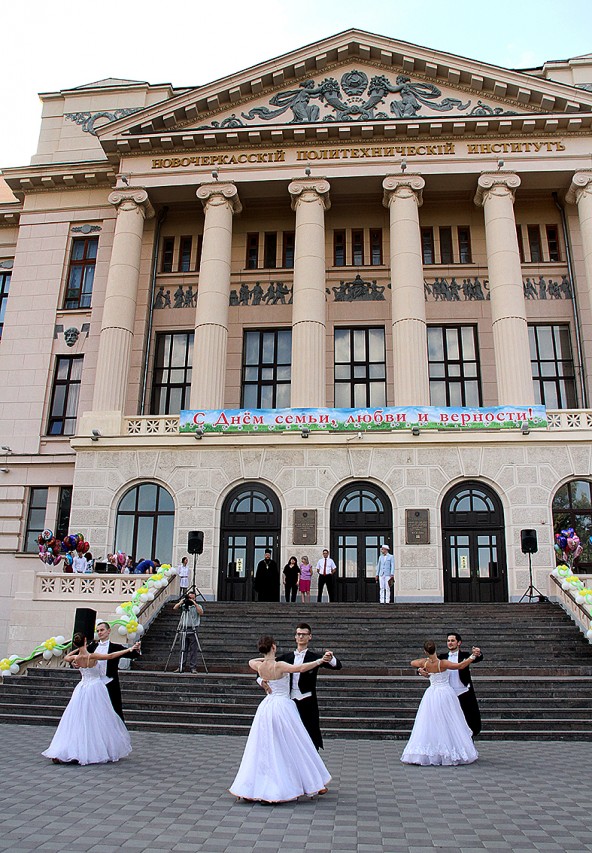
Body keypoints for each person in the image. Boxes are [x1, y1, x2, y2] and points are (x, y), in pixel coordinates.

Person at [230, 635, 332, 802]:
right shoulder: (280, 665)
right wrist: (319, 661)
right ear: (274, 647)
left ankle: (254, 786)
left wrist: (262, 678)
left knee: (263, 746)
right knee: (296, 743)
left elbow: (250, 661)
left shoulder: (259, 665)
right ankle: (303, 782)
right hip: (283, 706)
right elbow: (300, 668)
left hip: (266, 706)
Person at [42, 632, 140, 765]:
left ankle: (69, 750)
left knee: (77, 718)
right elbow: (110, 656)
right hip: (95, 687)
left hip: (82, 687)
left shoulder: (76, 658)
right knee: (98, 718)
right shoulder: (92, 656)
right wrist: (129, 649)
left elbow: (66, 657)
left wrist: (78, 648)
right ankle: (92, 749)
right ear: (85, 640)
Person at [401, 639, 479, 766]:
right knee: (450, 720)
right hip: (445, 693)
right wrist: (472, 656)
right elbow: (460, 666)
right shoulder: (442, 663)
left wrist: (421, 669)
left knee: (430, 721)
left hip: (431, 694)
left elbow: (412, 662)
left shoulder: (424, 662)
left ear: (425, 651)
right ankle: (450, 749)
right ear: (435, 649)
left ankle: (431, 750)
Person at [277, 622, 342, 750]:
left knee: (310, 733)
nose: (301, 637)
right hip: (289, 700)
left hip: (307, 700)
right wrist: (261, 681)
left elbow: (337, 666)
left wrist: (331, 657)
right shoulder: (286, 658)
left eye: (304, 634)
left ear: (309, 637)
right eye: (298, 634)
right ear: (295, 637)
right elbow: (265, 668)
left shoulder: (314, 657)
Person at [84, 621, 141, 720]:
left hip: (110, 681)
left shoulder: (115, 647)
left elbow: (132, 655)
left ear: (108, 631)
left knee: (115, 707)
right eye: (98, 631)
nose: (100, 633)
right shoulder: (92, 647)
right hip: (95, 682)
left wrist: (137, 649)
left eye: (102, 630)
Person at [438, 632, 483, 736]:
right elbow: (428, 664)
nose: (450, 643)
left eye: (452, 641)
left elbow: (478, 658)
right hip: (448, 693)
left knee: (467, 718)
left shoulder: (465, 655)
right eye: (448, 641)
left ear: (459, 643)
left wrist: (477, 653)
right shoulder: (442, 657)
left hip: (464, 692)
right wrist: (419, 670)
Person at [172, 591, 204, 673]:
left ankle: (193, 667)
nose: (191, 600)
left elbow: (201, 612)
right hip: (184, 628)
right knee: (183, 648)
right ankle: (181, 666)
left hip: (193, 629)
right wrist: (181, 602)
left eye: (193, 598)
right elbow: (175, 608)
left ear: (195, 598)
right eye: (190, 598)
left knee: (193, 650)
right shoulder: (184, 606)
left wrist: (194, 603)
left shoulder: (198, 606)